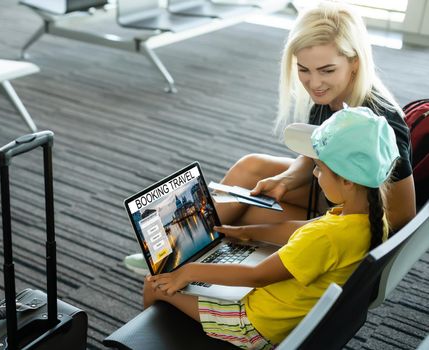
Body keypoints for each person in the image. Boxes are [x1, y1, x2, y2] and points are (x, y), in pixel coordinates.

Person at [123, 1, 415, 275]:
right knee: (250, 168)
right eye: (303, 70)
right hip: (335, 189)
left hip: (357, 219)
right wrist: (285, 181)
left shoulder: (381, 122)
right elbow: (317, 151)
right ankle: (174, 250)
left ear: (355, 63)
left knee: (247, 216)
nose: (314, 83)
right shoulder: (332, 96)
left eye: (327, 70)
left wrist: (327, 228)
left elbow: (401, 216)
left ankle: (179, 256)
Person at [143, 106, 399, 348]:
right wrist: (249, 232)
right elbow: (300, 228)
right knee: (212, 273)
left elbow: (257, 276)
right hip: (291, 319)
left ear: (347, 180)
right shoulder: (371, 219)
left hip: (253, 327)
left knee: (154, 284)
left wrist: (190, 272)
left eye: (319, 169)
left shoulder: (326, 237)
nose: (314, 174)